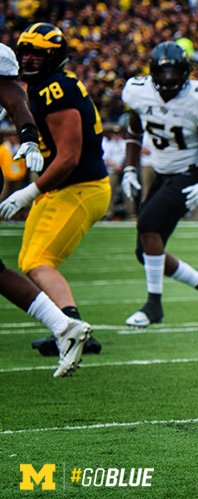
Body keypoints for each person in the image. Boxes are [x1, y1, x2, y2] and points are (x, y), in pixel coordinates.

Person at [3, 23, 109, 356]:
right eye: (26, 52)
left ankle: (71, 327)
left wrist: (29, 191)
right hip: (64, 186)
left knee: (38, 260)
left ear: (55, 57)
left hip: (80, 186)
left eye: (39, 53)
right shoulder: (41, 86)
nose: (30, 59)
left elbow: (69, 158)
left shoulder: (54, 89)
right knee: (28, 260)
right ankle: (65, 324)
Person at [120, 41, 198, 328]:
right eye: (163, 74)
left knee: (147, 225)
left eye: (174, 74)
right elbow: (133, 131)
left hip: (189, 173)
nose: (168, 80)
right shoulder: (139, 92)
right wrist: (130, 167)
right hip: (160, 173)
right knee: (145, 252)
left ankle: (153, 305)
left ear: (186, 72)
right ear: (153, 73)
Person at [102, 126, 128, 219]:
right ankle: (108, 213)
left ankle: (132, 213)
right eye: (114, 134)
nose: (116, 136)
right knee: (110, 192)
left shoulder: (125, 144)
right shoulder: (108, 144)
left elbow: (128, 156)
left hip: (124, 170)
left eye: (118, 134)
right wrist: (116, 166)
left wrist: (122, 166)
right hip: (112, 170)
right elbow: (105, 159)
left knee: (127, 192)